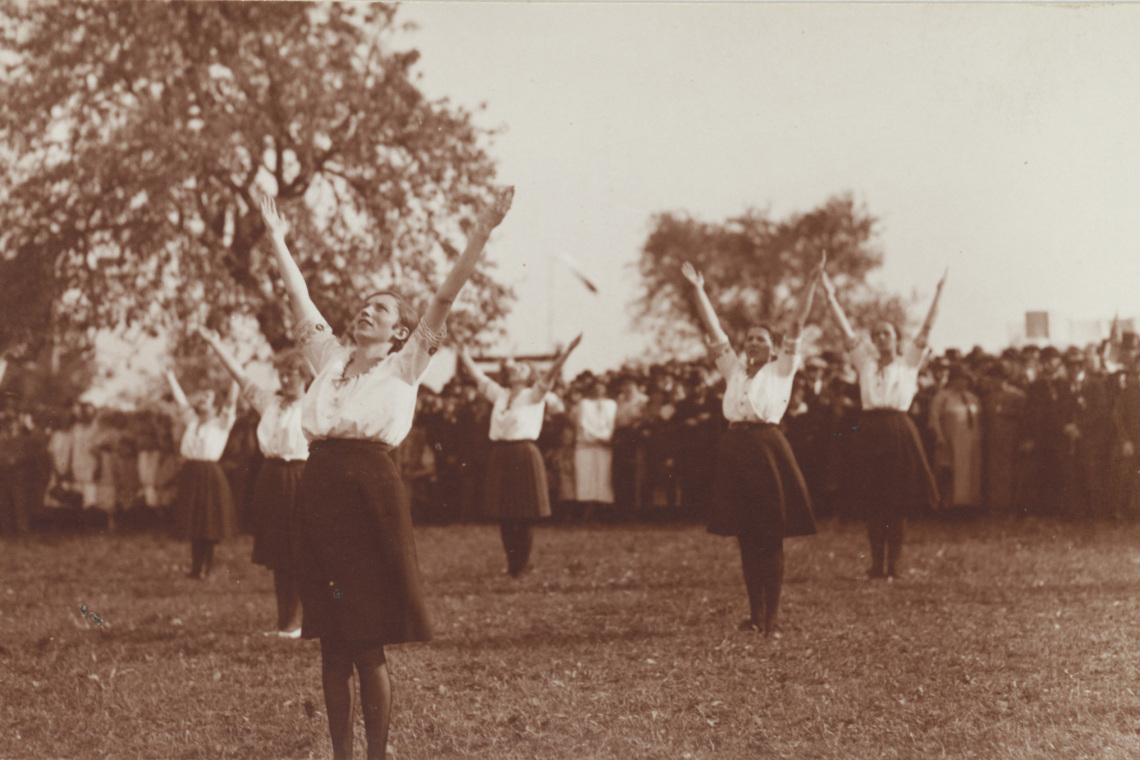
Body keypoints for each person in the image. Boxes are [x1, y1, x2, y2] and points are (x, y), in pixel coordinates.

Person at [259, 185, 513, 760]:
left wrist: (480, 233)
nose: (366, 309)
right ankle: (342, 754)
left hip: (371, 496)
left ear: (400, 330)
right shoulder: (327, 358)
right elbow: (298, 295)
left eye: (381, 307)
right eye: (364, 303)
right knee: (329, 641)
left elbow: (446, 296)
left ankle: (377, 754)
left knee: (366, 640)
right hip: (318, 490)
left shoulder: (407, 364)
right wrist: (277, 240)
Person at [680, 258, 819, 637]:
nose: (753, 343)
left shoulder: (783, 368)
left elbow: (797, 324)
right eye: (750, 339)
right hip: (735, 449)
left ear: (775, 348)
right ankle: (754, 615)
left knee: (770, 536)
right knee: (746, 536)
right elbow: (714, 330)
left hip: (768, 449)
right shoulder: (733, 370)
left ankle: (771, 621)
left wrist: (809, 284)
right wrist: (698, 289)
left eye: (762, 339)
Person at [820, 266, 944, 578]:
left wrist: (939, 293)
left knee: (897, 500)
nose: (880, 338)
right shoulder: (864, 361)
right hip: (870, 431)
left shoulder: (910, 361)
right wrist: (829, 294)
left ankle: (895, 565)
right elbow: (845, 330)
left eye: (886, 333)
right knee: (873, 501)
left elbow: (928, 327)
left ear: (896, 338)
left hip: (899, 430)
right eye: (876, 335)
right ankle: (877, 564)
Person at [199, 327, 312, 638]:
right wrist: (216, 343)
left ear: (305, 374)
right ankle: (285, 623)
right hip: (272, 478)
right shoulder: (270, 403)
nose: (285, 379)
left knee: (301, 552)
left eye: (291, 373)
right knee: (279, 555)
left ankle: (302, 622)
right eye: (281, 374)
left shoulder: (317, 404)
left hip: (303, 478)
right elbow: (239, 375)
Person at [457, 336, 581, 577]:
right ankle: (512, 564)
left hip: (524, 454)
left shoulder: (534, 394)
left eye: (523, 367)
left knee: (524, 514)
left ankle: (521, 567)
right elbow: (478, 377)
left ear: (530, 374)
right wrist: (463, 354)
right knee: (503, 514)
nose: (516, 369)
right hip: (500, 455)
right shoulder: (500, 394)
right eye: (515, 366)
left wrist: (565, 353)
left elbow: (550, 375)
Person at [165, 371, 241, 579]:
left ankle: (208, 567)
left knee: (209, 523)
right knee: (194, 522)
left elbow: (231, 401)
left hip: (209, 475)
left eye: (207, 397)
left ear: (215, 405)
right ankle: (195, 567)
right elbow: (181, 401)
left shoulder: (221, 423)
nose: (202, 400)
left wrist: (234, 376)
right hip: (190, 473)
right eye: (200, 397)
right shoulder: (191, 421)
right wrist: (171, 377)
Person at [929, 364, 983, 512]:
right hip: (951, 440)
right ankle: (950, 506)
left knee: (971, 472)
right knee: (951, 472)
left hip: (972, 440)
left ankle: (969, 505)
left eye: (965, 379)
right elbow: (934, 418)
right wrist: (939, 436)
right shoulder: (942, 397)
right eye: (959, 379)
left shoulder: (973, 398)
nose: (963, 383)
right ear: (952, 380)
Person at [572, 374, 618, 521]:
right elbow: (583, 423)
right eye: (596, 387)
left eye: (601, 386)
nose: (599, 389)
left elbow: (611, 424)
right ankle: (587, 510)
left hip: (604, 445)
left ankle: (603, 510)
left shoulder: (612, 404)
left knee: (603, 476)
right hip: (586, 444)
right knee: (586, 476)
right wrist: (595, 438)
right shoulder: (584, 404)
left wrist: (605, 438)